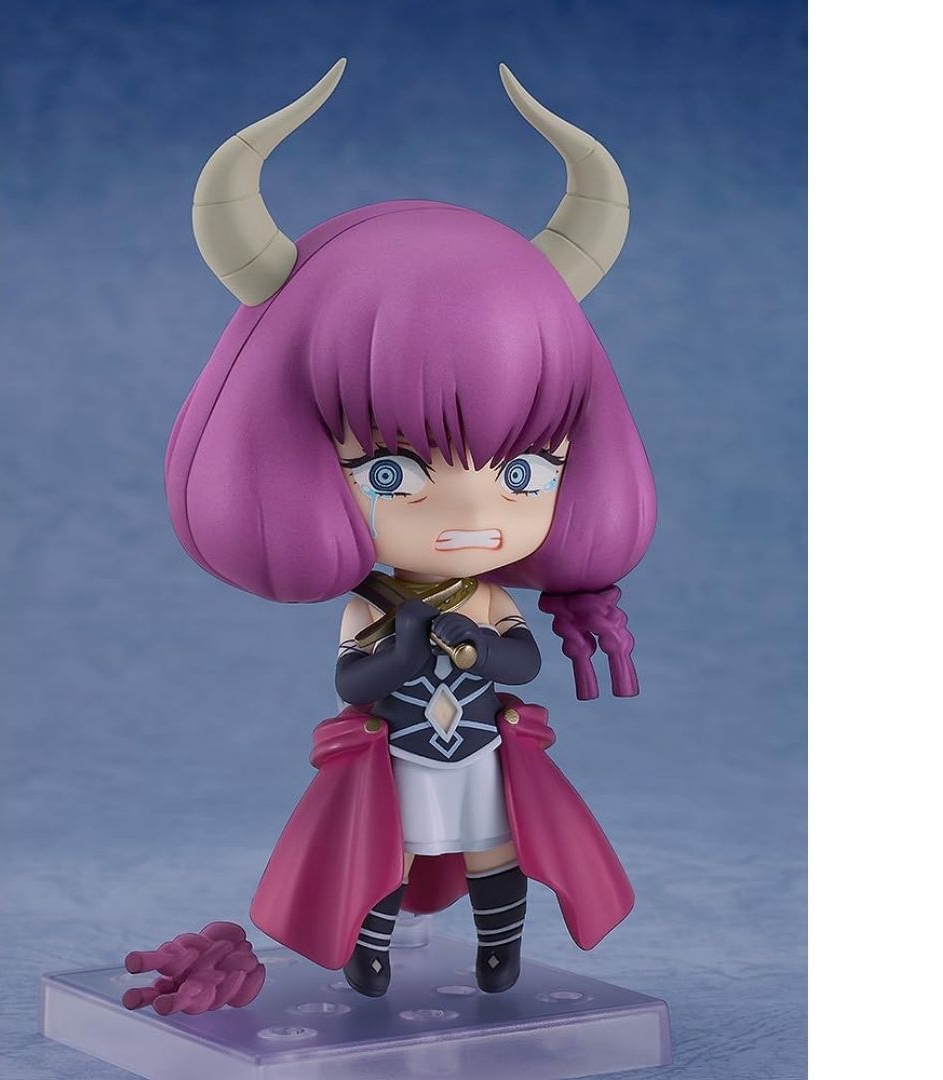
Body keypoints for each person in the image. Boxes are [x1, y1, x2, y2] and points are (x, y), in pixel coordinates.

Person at [164, 60, 657, 997]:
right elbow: (352, 679)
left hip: (481, 753)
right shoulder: (376, 601)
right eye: (391, 473)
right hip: (395, 759)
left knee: (495, 848)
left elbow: (521, 661)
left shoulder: (485, 592)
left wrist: (478, 646)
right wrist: (406, 649)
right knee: (382, 854)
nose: (472, 517)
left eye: (523, 471)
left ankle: (500, 949)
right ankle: (371, 949)